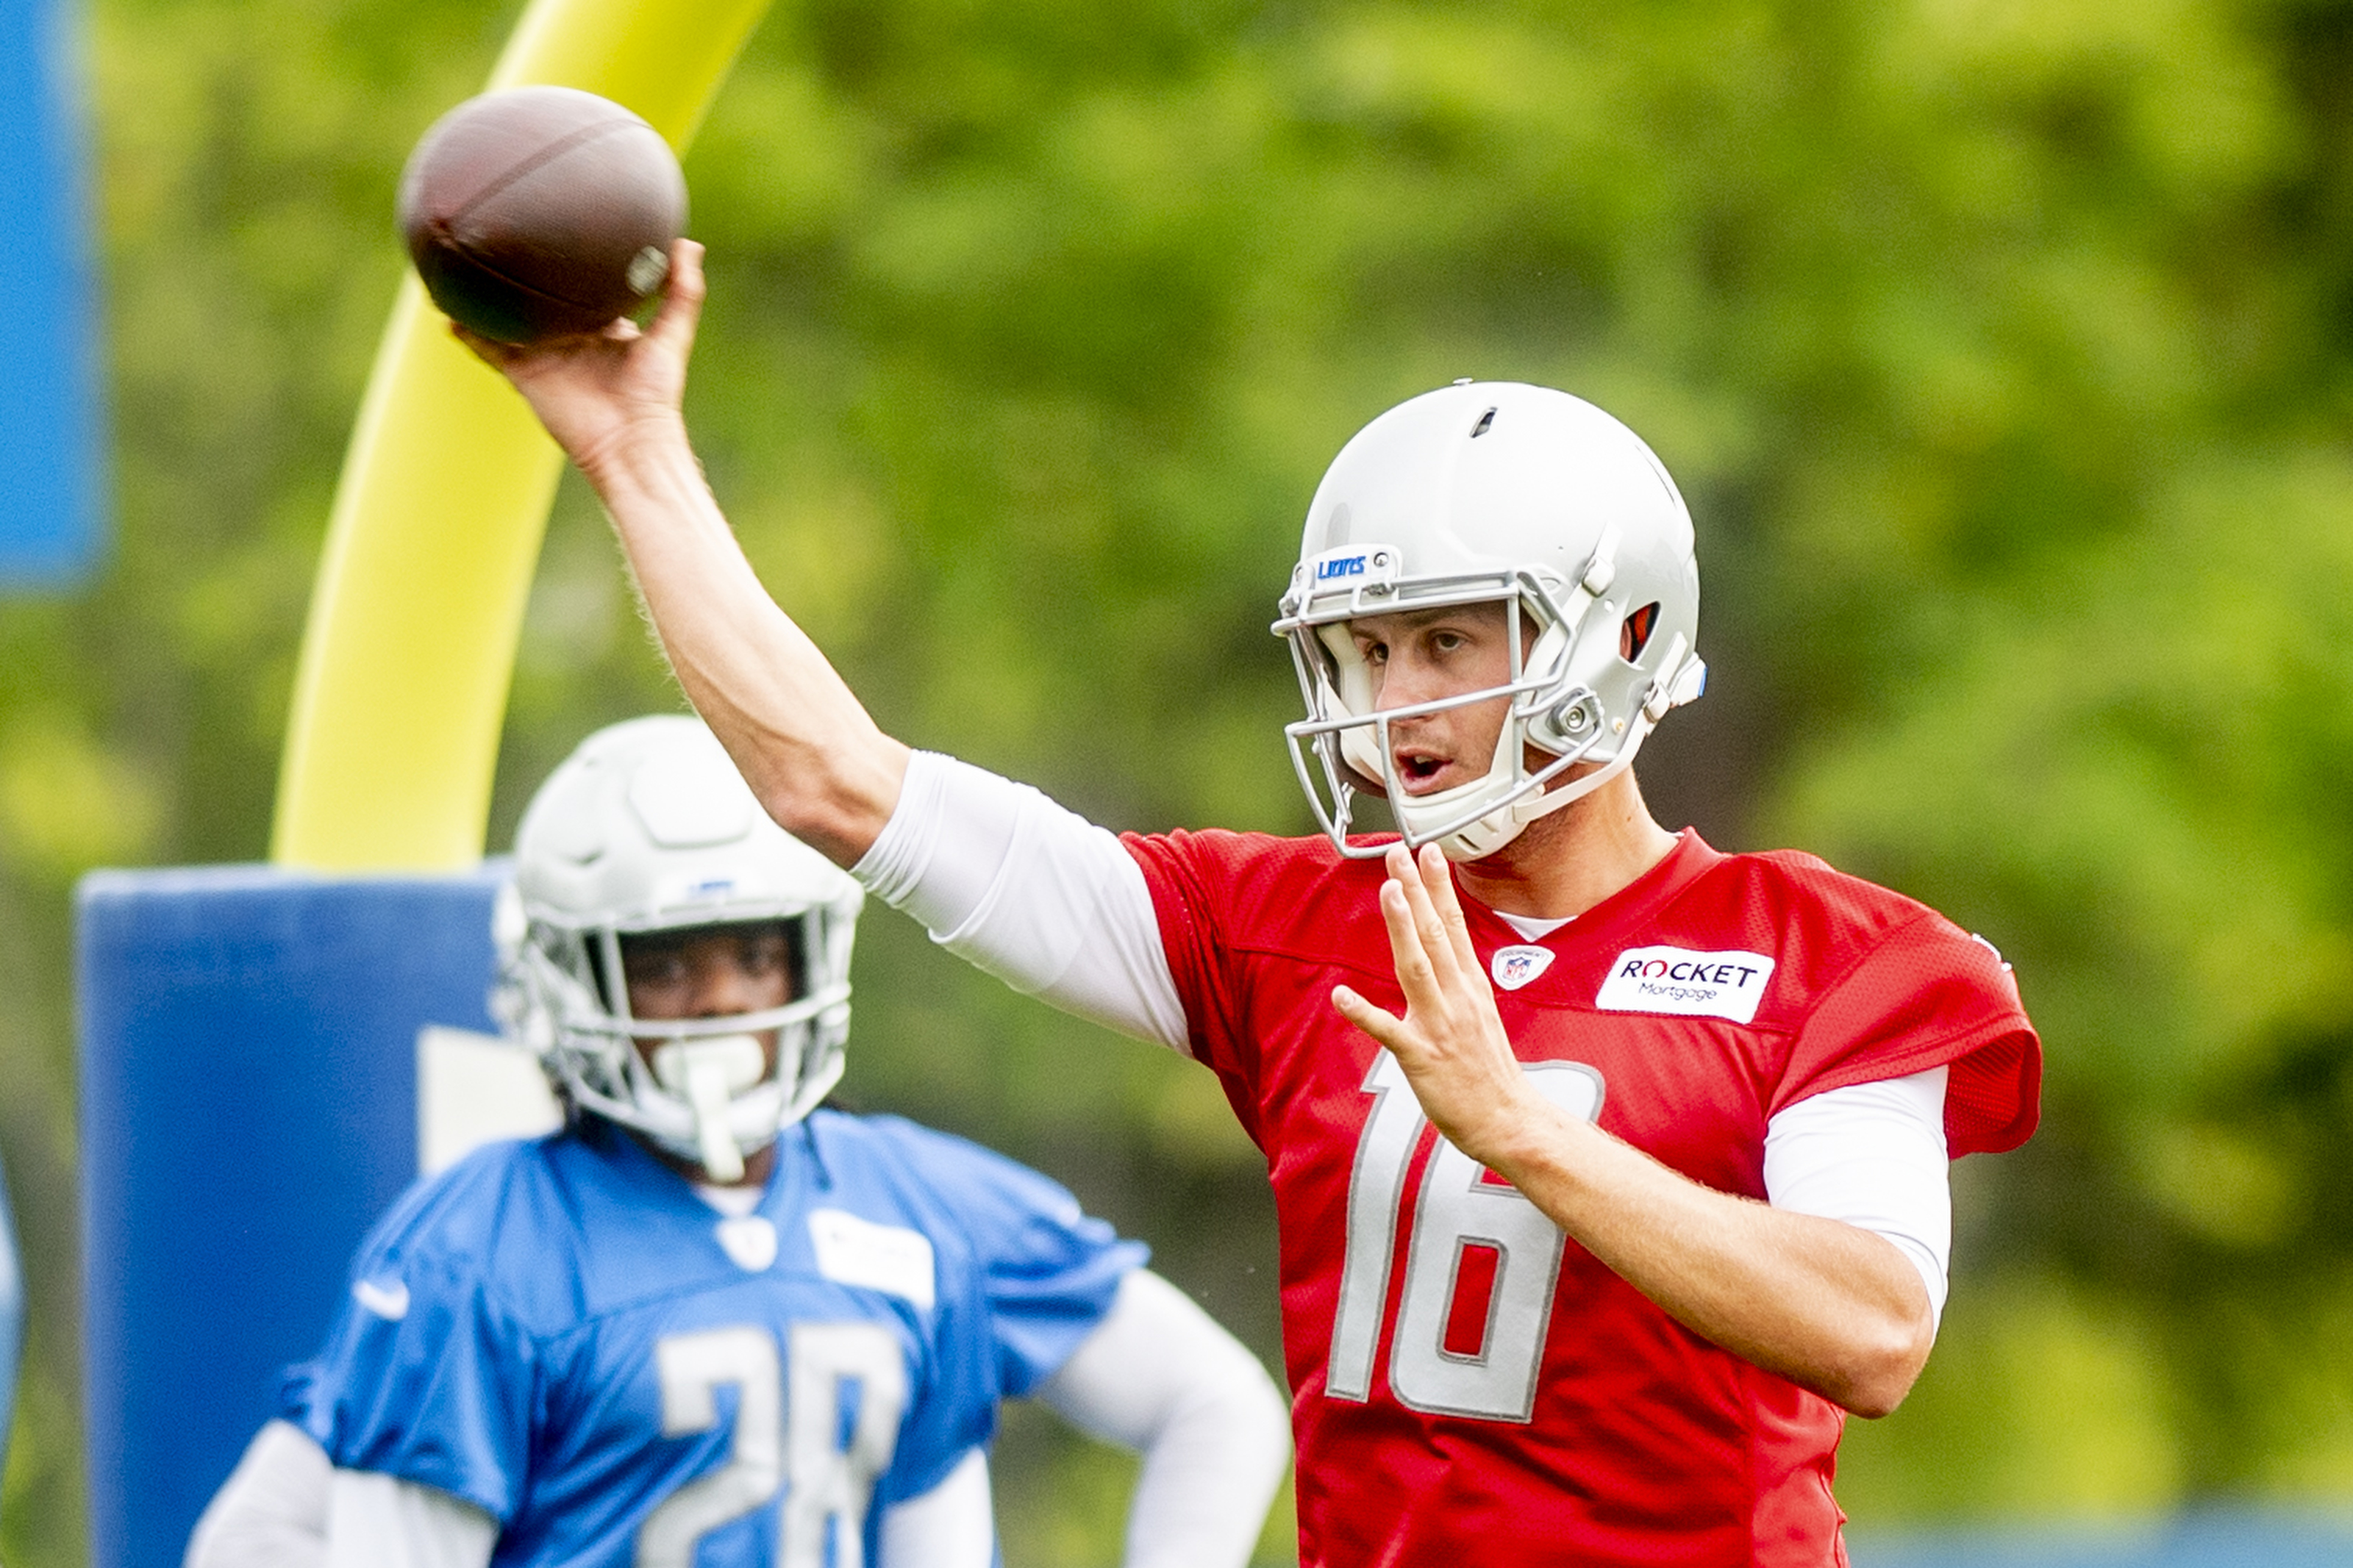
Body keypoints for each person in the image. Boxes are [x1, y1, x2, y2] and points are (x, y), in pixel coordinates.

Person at [460, 244, 2043, 1567]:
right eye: (1363, 651)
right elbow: (836, 784)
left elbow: (1873, 1328)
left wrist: (1527, 1127)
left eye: (1444, 643)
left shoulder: (1823, 958)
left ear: (1618, 633)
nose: (1392, 702)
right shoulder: (1287, 926)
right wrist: (632, 451)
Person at [183, 716, 1290, 1568]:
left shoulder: (919, 1201)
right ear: (574, 977)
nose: (721, 1003)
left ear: (810, 958)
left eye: (754, 957)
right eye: (667, 965)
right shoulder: (477, 1249)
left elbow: (1218, 1404)